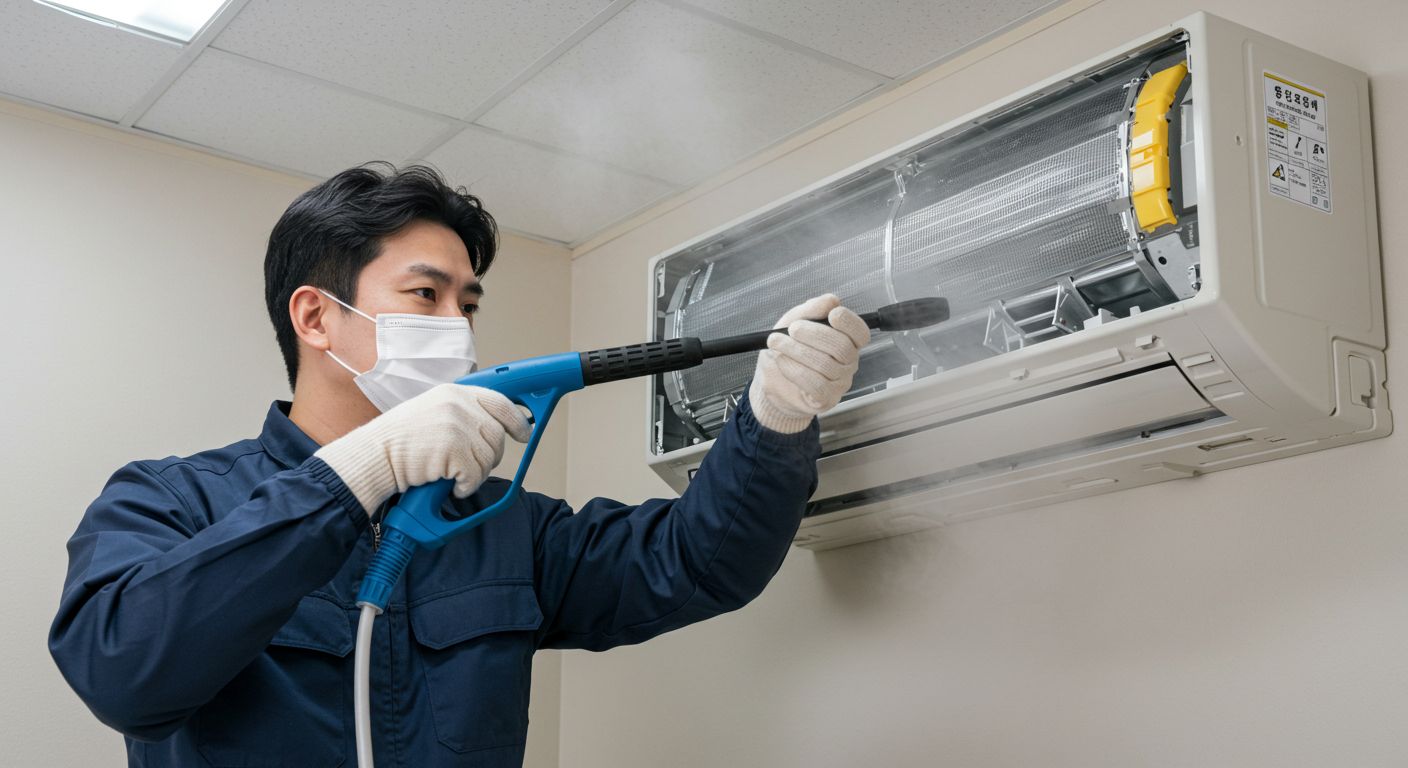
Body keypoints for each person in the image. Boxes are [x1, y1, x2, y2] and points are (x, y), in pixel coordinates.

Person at [48, 163, 870, 768]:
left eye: (468, 305)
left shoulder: (500, 521)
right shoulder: (169, 500)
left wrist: (775, 417)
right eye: (426, 296)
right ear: (316, 317)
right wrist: (357, 475)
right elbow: (123, 672)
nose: (459, 329)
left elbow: (699, 562)